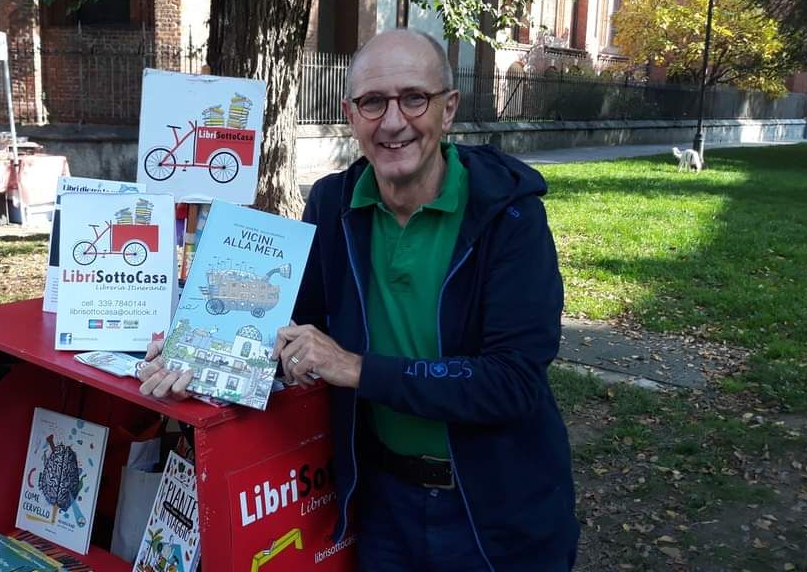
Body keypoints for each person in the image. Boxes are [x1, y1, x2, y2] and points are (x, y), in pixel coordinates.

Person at [138, 28, 579, 571]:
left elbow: (513, 381)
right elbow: (291, 329)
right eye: (373, 102)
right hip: (383, 505)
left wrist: (355, 368)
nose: (393, 122)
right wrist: (197, 355)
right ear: (350, 114)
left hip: (496, 511)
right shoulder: (333, 204)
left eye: (413, 98)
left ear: (448, 109)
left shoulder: (508, 214)